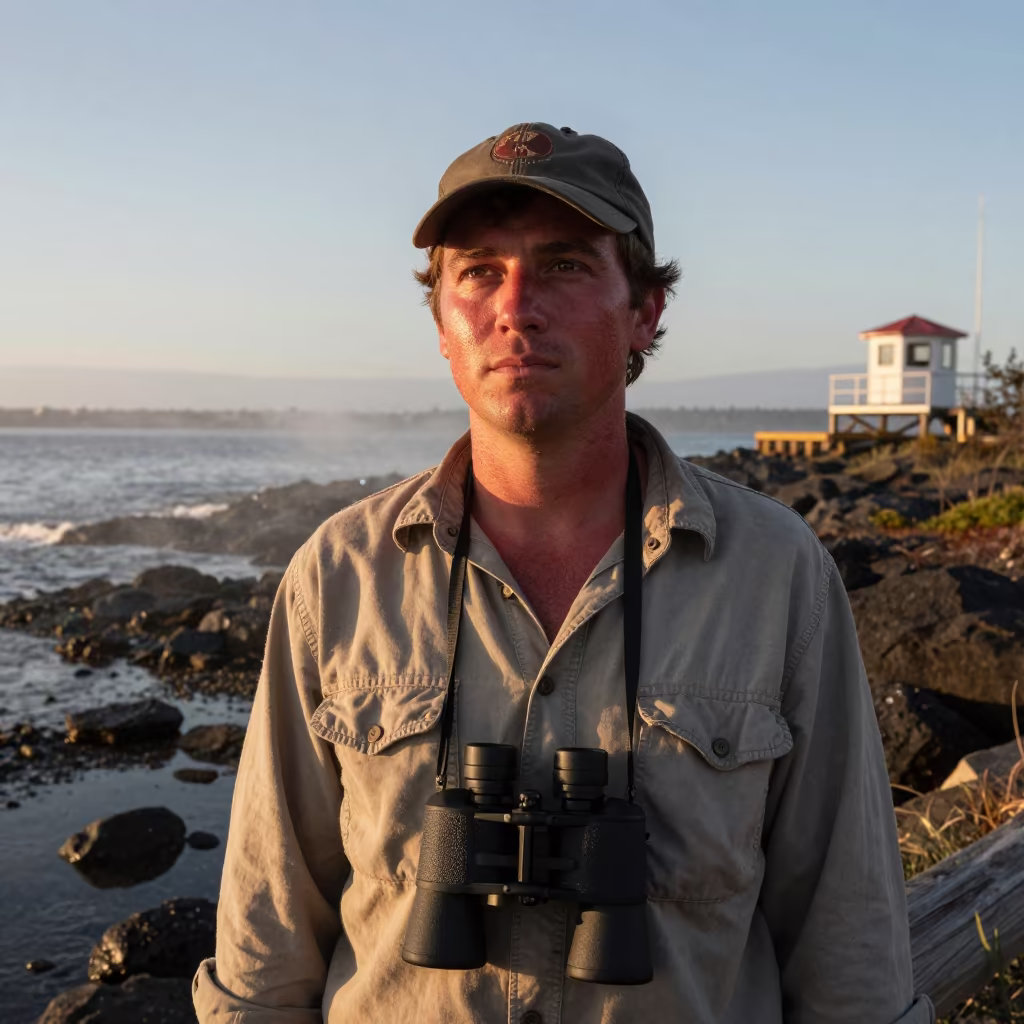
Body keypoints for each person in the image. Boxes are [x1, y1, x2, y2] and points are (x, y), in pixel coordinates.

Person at [193, 122, 933, 1023]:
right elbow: (266, 943)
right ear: (441, 320)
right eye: (477, 271)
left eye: (565, 265)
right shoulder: (340, 576)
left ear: (645, 311)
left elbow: (846, 935)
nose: (516, 306)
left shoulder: (776, 576)